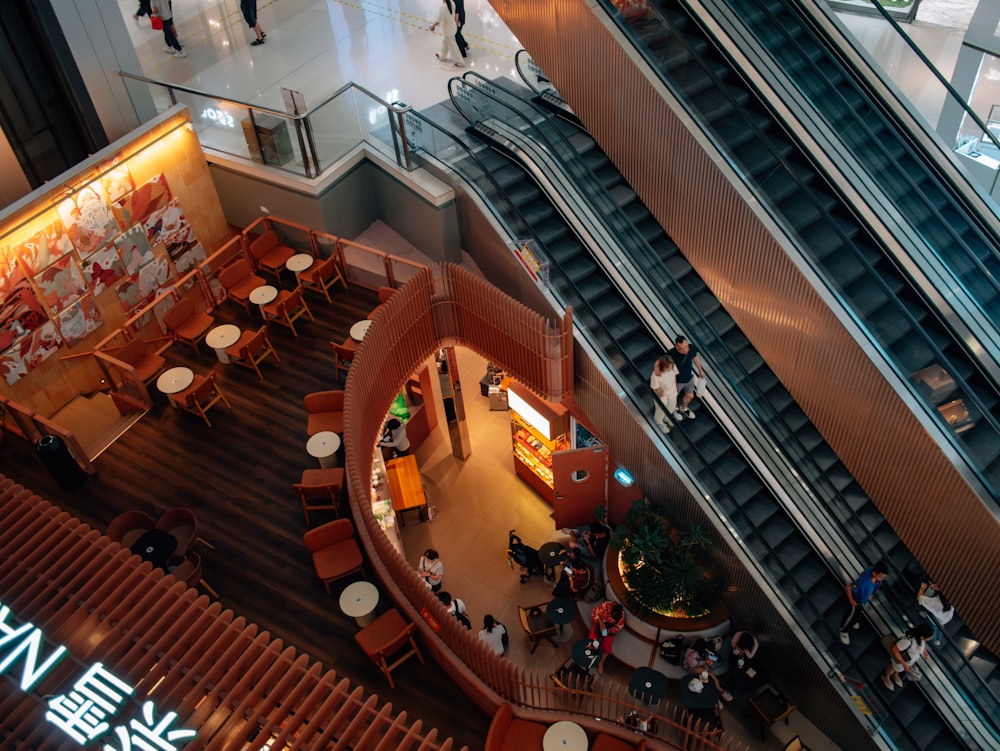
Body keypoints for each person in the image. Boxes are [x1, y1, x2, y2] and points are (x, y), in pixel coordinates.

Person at [838, 560, 888, 645]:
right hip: (856, 601)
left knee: (857, 616)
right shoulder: (864, 582)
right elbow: (849, 587)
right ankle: (843, 631)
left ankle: (852, 622)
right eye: (881, 577)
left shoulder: (875, 578)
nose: (882, 579)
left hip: (863, 600)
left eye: (883, 577)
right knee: (853, 615)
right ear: (874, 573)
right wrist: (852, 601)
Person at [881, 624, 934, 691]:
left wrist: (925, 652)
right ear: (922, 637)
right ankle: (886, 675)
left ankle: (896, 674)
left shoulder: (920, 639)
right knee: (894, 667)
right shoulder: (908, 641)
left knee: (898, 669)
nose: (930, 639)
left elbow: (922, 643)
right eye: (929, 638)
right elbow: (895, 650)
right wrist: (903, 664)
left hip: (908, 660)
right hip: (902, 659)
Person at [665, 336, 704, 421]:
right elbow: (668, 369)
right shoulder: (671, 354)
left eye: (686, 347)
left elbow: (695, 357)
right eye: (682, 348)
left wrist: (700, 370)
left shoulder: (691, 348)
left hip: (688, 378)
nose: (685, 350)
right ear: (677, 347)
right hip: (677, 381)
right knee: (674, 396)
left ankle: (683, 408)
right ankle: (674, 409)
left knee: (690, 395)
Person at [588, 601, 625, 674]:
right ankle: (591, 655)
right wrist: (601, 623)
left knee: (606, 647)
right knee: (592, 640)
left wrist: (607, 631)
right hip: (599, 623)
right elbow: (594, 613)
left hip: (608, 631)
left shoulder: (621, 617)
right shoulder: (606, 606)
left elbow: (618, 628)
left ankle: (600, 662)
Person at [917, 580, 954, 645]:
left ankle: (932, 643)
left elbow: (919, 598)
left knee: (932, 631)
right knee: (940, 629)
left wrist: (922, 588)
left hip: (933, 620)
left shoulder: (935, 602)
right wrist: (937, 588)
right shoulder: (949, 603)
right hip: (944, 619)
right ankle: (938, 640)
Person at [429, 0, 464, 68]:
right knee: (445, 42)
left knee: (453, 47)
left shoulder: (443, 7)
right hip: (452, 27)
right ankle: (442, 57)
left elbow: (439, 20)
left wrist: (432, 26)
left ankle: (460, 62)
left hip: (448, 30)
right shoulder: (451, 2)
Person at [649, 355, 678, 432]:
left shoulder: (672, 367)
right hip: (662, 394)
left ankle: (667, 418)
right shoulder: (656, 375)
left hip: (672, 390)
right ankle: (658, 421)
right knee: (661, 408)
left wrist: (674, 387)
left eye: (670, 367)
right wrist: (659, 398)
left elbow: (674, 376)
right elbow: (654, 388)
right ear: (663, 367)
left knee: (672, 405)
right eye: (668, 367)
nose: (670, 369)